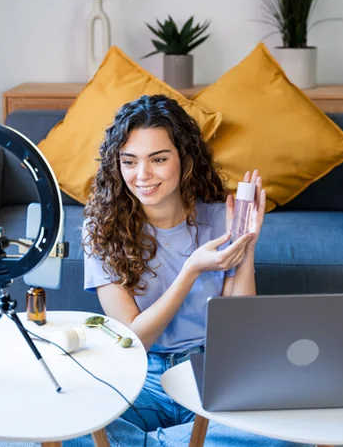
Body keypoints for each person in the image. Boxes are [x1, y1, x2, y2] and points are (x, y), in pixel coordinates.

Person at [82, 93, 268, 432]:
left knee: (278, 432)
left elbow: (240, 331)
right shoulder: (102, 230)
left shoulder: (219, 218)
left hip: (208, 372)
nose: (142, 175)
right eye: (129, 161)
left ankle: (157, 442)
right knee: (73, 427)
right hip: (141, 375)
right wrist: (191, 270)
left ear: (185, 158)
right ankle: (187, 441)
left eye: (158, 159)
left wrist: (247, 245)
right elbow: (133, 338)